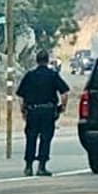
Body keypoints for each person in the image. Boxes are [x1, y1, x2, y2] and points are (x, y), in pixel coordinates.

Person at [15, 49, 70, 177]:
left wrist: (23, 110)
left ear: (37, 60)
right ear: (47, 60)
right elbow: (65, 93)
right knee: (45, 138)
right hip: (48, 111)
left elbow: (20, 95)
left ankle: (28, 167)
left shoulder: (30, 75)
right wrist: (62, 107)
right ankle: (42, 167)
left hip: (33, 111)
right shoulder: (53, 75)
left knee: (31, 138)